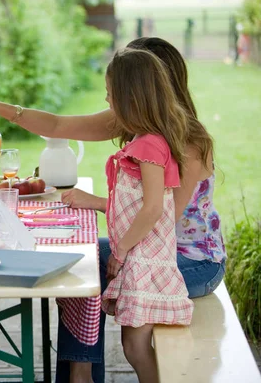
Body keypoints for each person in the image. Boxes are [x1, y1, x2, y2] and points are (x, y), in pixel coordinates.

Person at [0, 37, 225, 383]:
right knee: (85, 260)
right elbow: (57, 126)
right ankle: (81, 372)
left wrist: (100, 207)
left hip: (192, 262)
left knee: (94, 267)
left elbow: (162, 218)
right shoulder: (138, 122)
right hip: (152, 250)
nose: (111, 97)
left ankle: (80, 374)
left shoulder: (188, 142)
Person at [101, 48, 194, 382]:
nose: (107, 99)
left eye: (111, 93)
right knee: (132, 345)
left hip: (145, 259)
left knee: (135, 346)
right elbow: (137, 203)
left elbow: (153, 208)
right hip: (142, 257)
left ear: (130, 98)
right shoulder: (146, 141)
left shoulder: (149, 146)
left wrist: (121, 250)